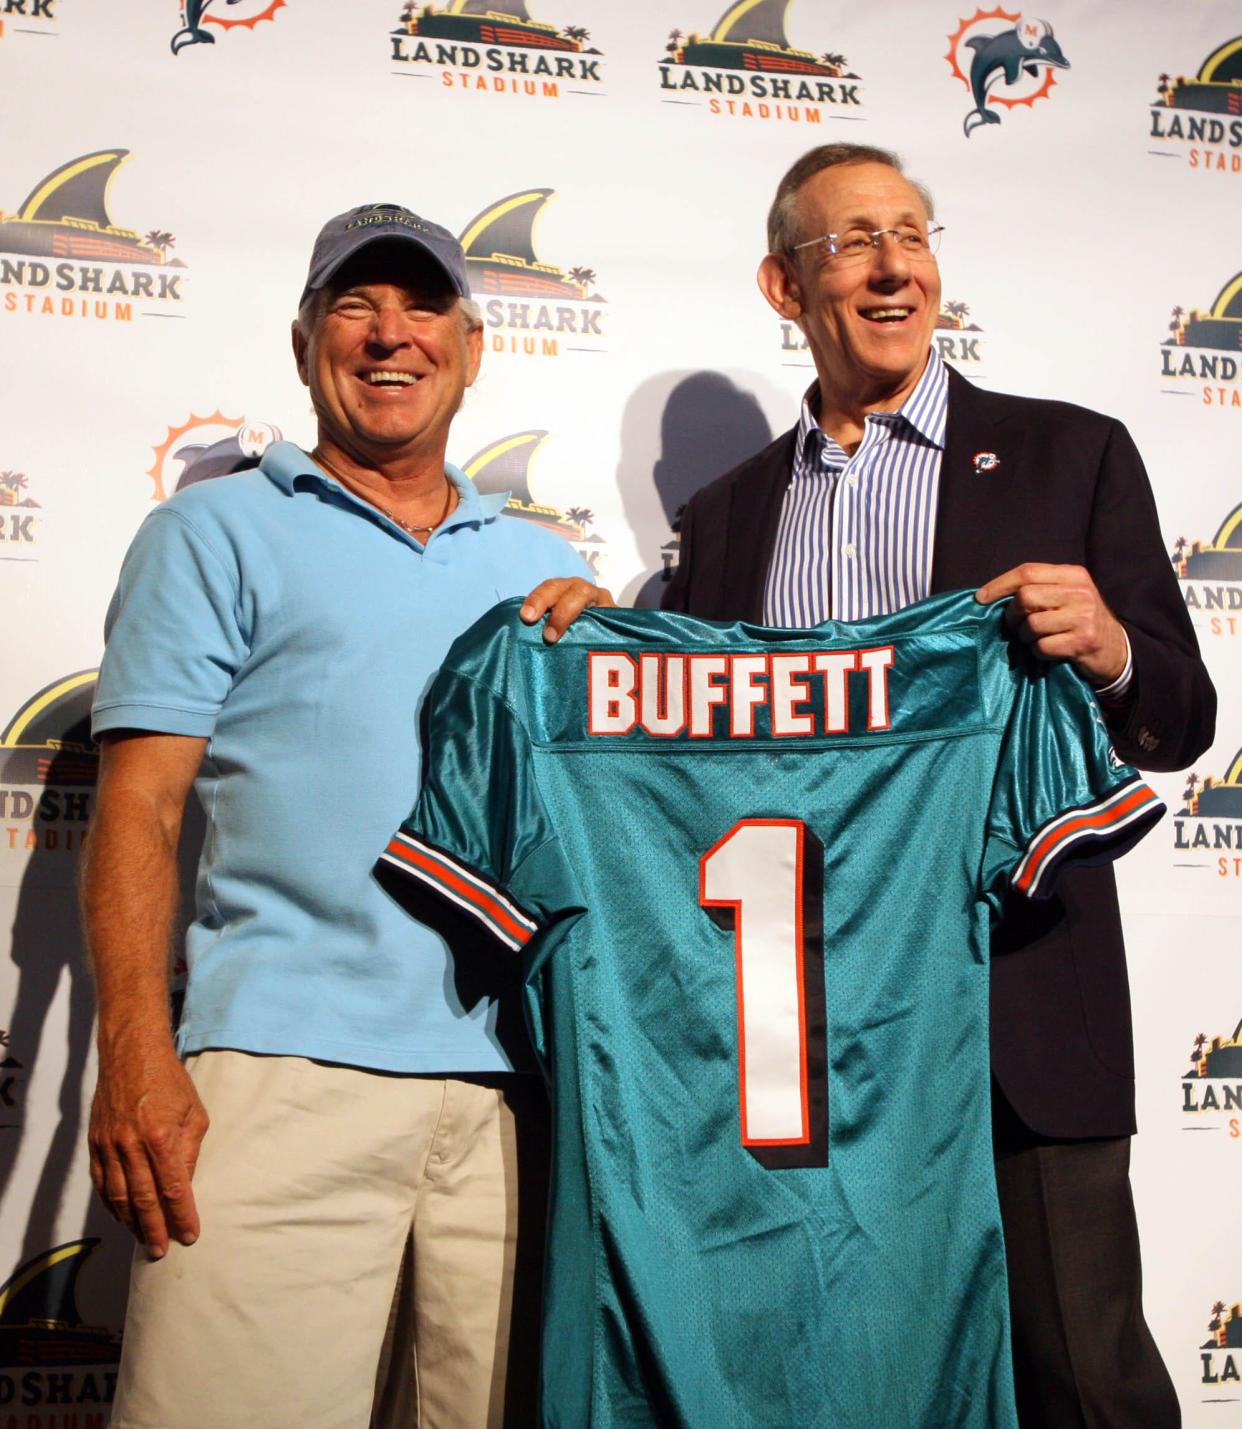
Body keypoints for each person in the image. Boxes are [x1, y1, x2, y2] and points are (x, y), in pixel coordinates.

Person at [663, 143, 1215, 1427]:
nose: (895, 265)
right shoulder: (727, 513)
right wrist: (581, 649)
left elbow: (1182, 717)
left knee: (1083, 1374)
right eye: (852, 241)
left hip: (1020, 996)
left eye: (912, 233)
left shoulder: (1068, 455)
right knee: (844, 1374)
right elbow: (693, 764)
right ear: (782, 284)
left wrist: (1116, 649)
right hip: (806, 1028)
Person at [83, 202, 612, 1429]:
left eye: (423, 306)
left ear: (472, 349)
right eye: (355, 307)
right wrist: (134, 1057)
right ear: (304, 339)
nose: (390, 336)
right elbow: (143, 809)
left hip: (514, 1098)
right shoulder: (208, 531)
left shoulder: (545, 568)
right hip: (275, 1078)